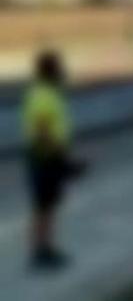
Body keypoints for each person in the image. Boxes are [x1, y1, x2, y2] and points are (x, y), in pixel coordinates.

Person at [22, 51, 79, 269]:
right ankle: (41, 250)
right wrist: (60, 156)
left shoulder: (43, 93)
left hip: (45, 156)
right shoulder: (43, 95)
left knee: (47, 206)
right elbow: (42, 129)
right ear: (51, 71)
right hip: (45, 157)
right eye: (57, 67)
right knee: (43, 206)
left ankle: (44, 246)